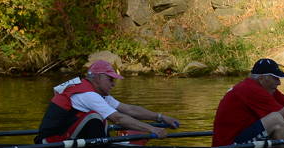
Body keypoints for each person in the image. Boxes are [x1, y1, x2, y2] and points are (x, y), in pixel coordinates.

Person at [35, 60, 181, 143]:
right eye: (110, 79)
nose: (113, 84)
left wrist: (160, 117)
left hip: (68, 138)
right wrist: (152, 129)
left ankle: (105, 147)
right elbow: (117, 118)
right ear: (97, 78)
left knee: (105, 117)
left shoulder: (98, 93)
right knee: (97, 116)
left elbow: (129, 110)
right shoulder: (87, 94)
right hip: (52, 142)